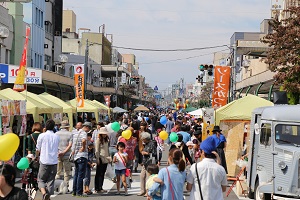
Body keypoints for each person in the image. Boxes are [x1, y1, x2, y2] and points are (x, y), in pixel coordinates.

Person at [36, 119, 60, 200]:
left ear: (45, 126)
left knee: (41, 180)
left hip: (44, 160)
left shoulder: (42, 136)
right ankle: (48, 197)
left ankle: (44, 193)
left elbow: (38, 149)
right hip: (54, 161)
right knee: (51, 181)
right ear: (54, 127)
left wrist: (36, 156)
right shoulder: (56, 136)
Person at [70, 121, 89, 197]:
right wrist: (83, 147)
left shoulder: (75, 133)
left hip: (75, 156)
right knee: (81, 175)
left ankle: (74, 191)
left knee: (76, 174)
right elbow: (84, 140)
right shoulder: (83, 133)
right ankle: (79, 192)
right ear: (85, 127)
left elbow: (71, 143)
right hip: (82, 155)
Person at [138, 132, 157, 196]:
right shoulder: (145, 144)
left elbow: (154, 153)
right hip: (145, 162)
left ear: (146, 138)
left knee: (148, 178)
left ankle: (147, 192)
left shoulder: (151, 144)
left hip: (149, 163)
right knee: (142, 176)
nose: (142, 140)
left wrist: (146, 153)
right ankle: (142, 190)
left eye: (143, 139)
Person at [55, 120, 72, 191]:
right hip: (67, 154)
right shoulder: (70, 134)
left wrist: (59, 152)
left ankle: (56, 186)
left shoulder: (56, 134)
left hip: (58, 154)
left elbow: (54, 144)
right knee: (66, 171)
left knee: (58, 171)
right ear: (67, 127)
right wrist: (64, 152)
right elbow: (70, 145)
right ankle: (66, 187)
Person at [94, 127, 110, 194]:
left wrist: (109, 157)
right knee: (99, 173)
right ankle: (97, 188)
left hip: (106, 158)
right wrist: (97, 159)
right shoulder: (98, 140)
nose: (104, 135)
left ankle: (100, 187)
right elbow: (97, 150)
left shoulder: (106, 140)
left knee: (103, 173)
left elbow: (107, 150)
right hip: (100, 158)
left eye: (105, 134)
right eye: (103, 134)